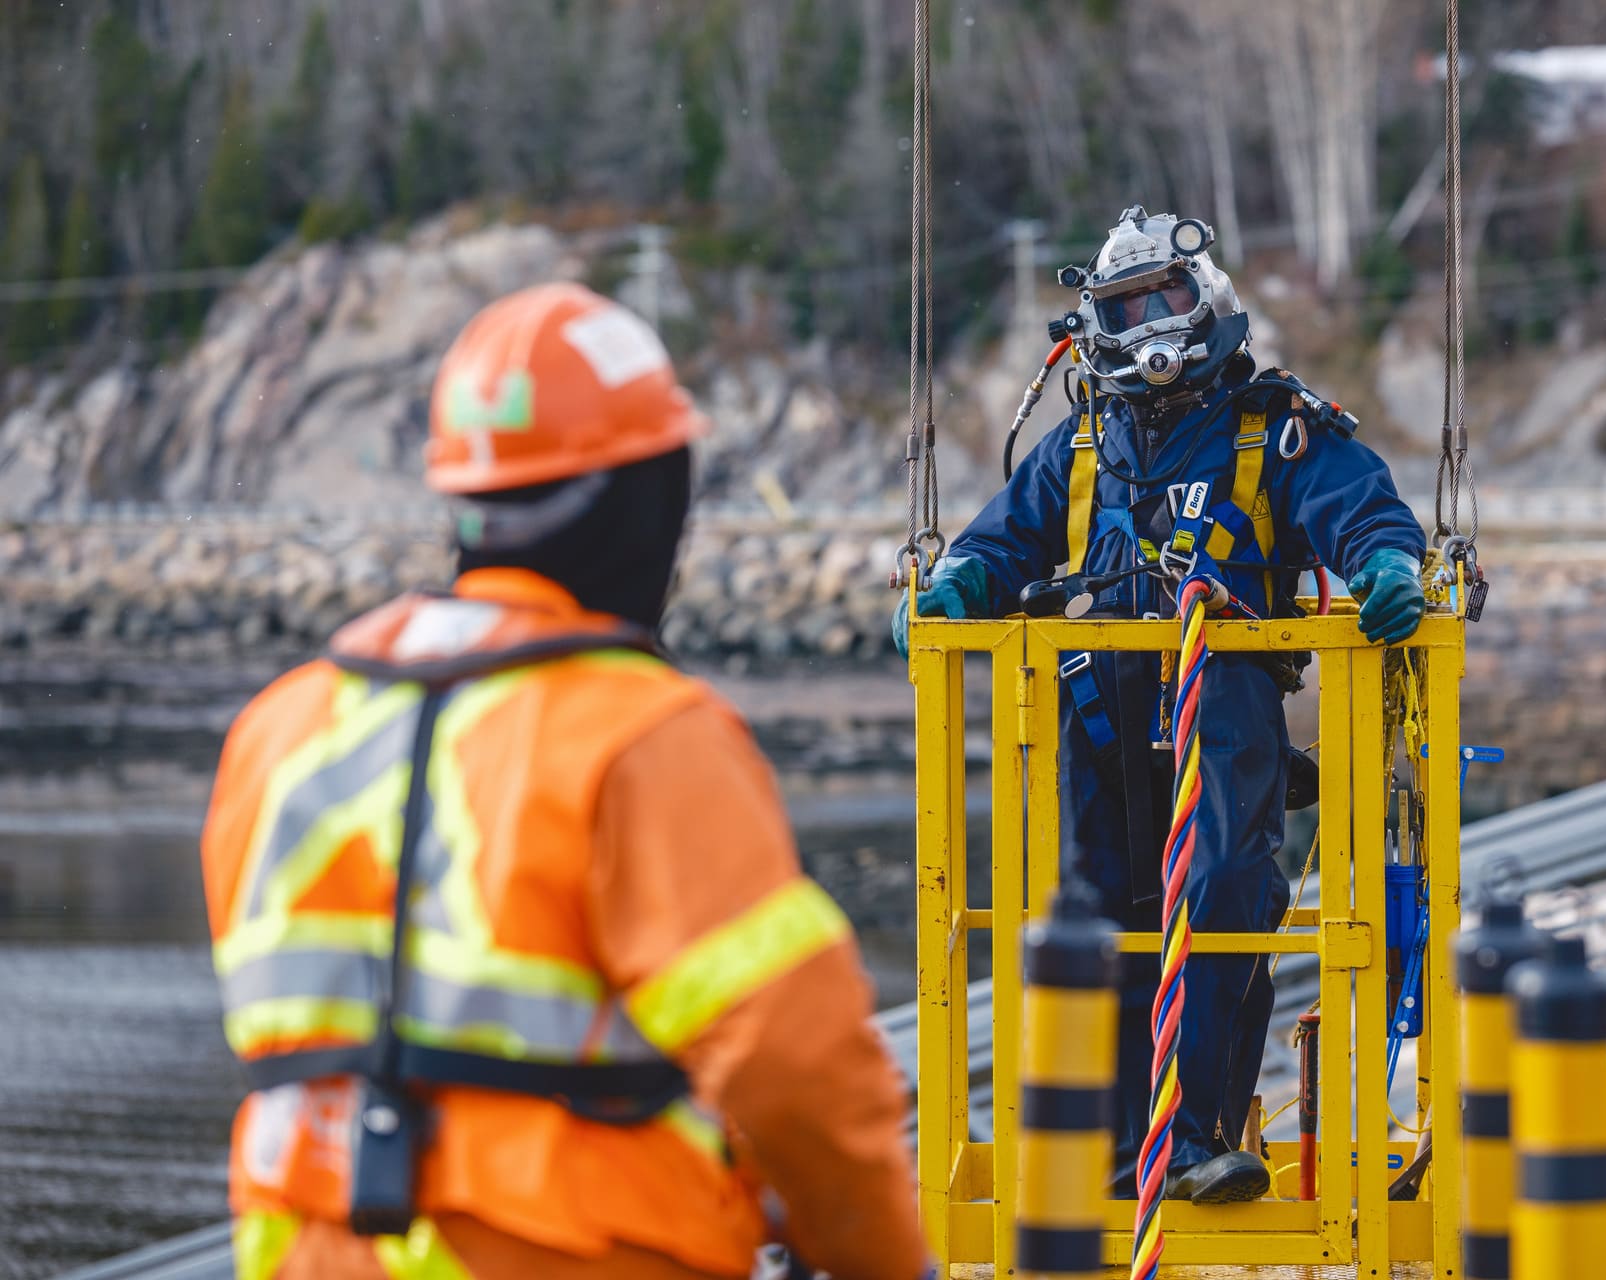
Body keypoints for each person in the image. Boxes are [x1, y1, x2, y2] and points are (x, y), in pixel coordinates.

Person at [203, 283, 927, 1279]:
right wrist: (888, 1260)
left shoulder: (280, 727)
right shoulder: (640, 733)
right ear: (649, 498)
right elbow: (794, 1067)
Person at [893, 207, 1428, 1204]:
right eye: (1127, 306)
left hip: (1222, 716)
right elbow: (1002, 538)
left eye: (1166, 298)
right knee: (1096, 916)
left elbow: (1358, 504)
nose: (1150, 327)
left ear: (1210, 300)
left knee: (1222, 894)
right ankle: (1110, 1148)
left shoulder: (1275, 428)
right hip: (1098, 720)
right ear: (1094, 324)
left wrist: (1389, 564)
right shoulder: (1084, 445)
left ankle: (1196, 1135)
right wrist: (956, 584)